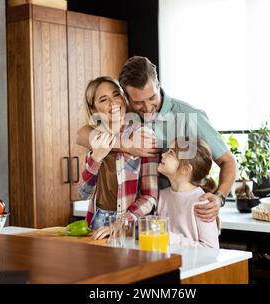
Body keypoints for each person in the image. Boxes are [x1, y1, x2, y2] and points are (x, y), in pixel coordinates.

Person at [77, 57, 237, 222]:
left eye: (152, 97)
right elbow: (82, 135)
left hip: (187, 211)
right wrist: (126, 146)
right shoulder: (124, 114)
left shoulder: (189, 115)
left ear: (158, 85)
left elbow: (228, 161)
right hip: (145, 217)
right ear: (127, 97)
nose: (147, 108)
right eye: (138, 102)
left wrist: (219, 197)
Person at [77, 76, 159, 240]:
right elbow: (83, 193)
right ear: (94, 110)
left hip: (129, 225)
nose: (113, 102)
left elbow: (150, 196)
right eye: (103, 99)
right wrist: (97, 157)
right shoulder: (96, 138)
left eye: (116, 95)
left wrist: (122, 221)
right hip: (97, 221)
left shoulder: (142, 135)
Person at [157, 138, 219, 249]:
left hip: (191, 266)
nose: (163, 155)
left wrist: (170, 238)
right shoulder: (161, 195)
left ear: (185, 169)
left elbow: (211, 249)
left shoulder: (201, 202)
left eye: (171, 153)